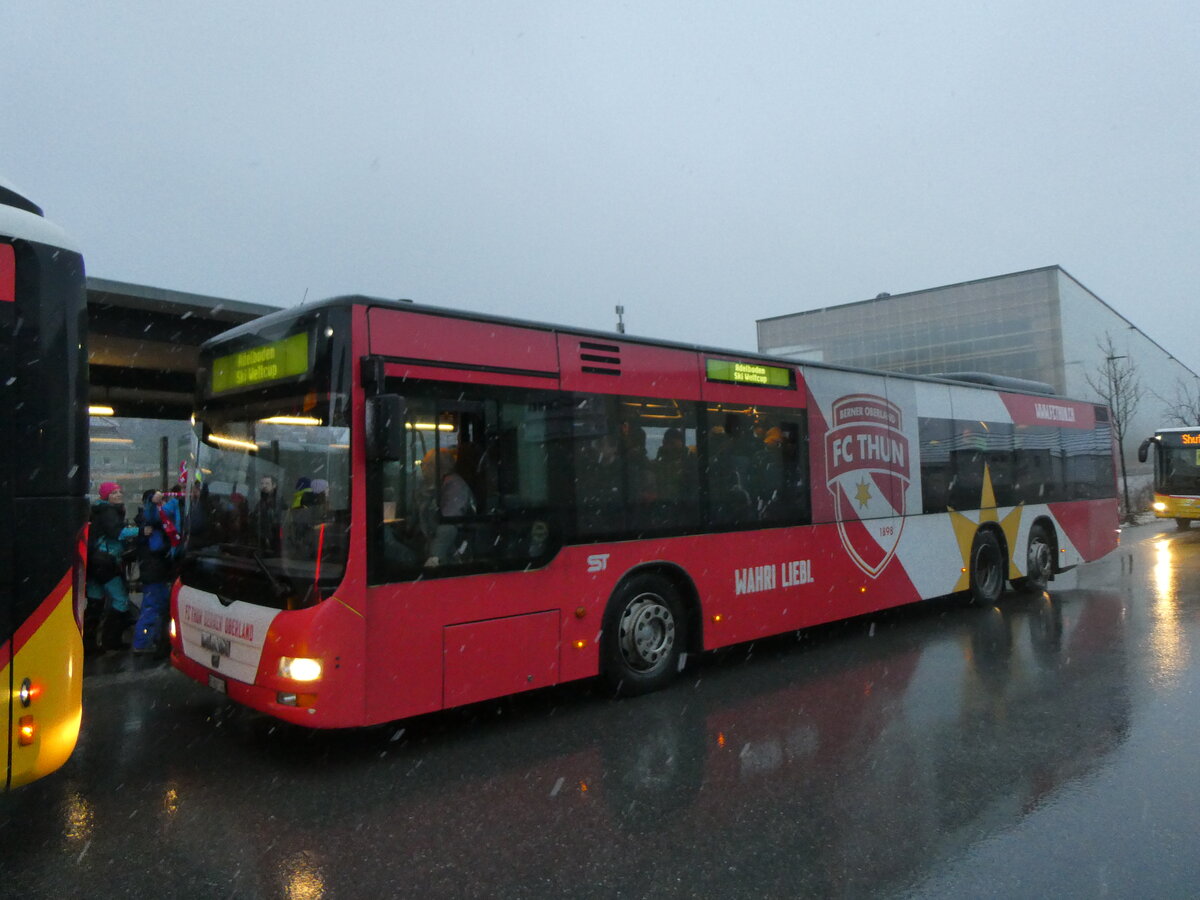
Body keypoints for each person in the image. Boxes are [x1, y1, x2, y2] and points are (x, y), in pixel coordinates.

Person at [84, 482, 138, 654]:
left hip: (94, 563)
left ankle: (88, 643)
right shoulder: (109, 511)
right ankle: (112, 640)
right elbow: (118, 533)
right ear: (106, 496)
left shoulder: (97, 511)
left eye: (119, 491)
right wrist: (141, 530)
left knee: (95, 602)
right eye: (114, 492)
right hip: (106, 563)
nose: (118, 494)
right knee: (120, 600)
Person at [132, 490, 178, 656]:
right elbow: (156, 547)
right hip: (155, 571)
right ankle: (142, 642)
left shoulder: (147, 521)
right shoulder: (151, 523)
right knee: (152, 608)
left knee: (157, 607)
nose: (163, 505)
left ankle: (151, 640)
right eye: (160, 502)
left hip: (154, 570)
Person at [251, 475, 283, 554]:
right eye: (262, 483)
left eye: (267, 483)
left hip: (274, 542)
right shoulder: (260, 502)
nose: (264, 486)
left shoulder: (279, 502)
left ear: (274, 485)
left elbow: (278, 523)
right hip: (260, 541)